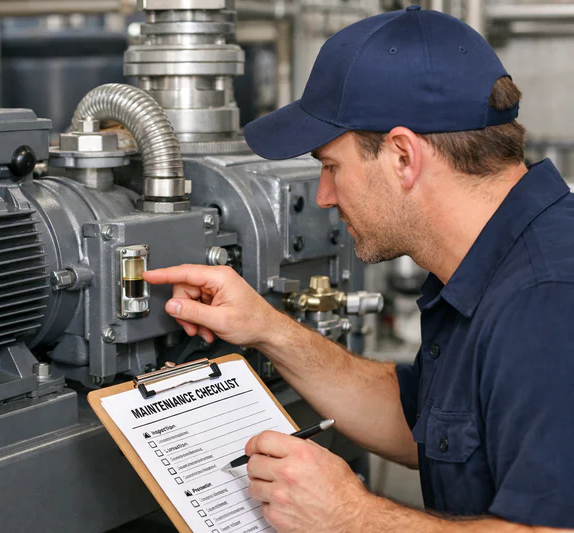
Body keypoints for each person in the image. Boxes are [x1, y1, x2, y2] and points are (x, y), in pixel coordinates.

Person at [143, 6, 574, 533]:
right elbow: (419, 424)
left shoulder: (548, 298)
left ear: (401, 156)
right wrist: (267, 329)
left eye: (331, 166)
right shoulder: (487, 263)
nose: (323, 196)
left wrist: (351, 516)